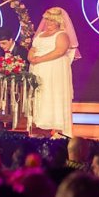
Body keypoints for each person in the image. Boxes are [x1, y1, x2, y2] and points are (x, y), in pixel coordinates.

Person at [28, 7, 79, 138]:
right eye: (47, 20)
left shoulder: (62, 35)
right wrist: (31, 57)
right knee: (41, 94)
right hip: (39, 70)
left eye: (52, 21)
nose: (49, 23)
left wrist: (40, 59)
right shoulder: (40, 34)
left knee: (53, 94)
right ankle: (40, 127)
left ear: (58, 21)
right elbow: (33, 48)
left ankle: (58, 129)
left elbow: (60, 51)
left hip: (54, 70)